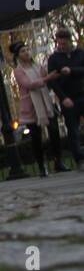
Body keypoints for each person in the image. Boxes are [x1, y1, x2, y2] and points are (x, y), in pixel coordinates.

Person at [11, 40, 66, 177]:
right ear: (18, 55)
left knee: (54, 131)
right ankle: (42, 165)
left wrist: (52, 75)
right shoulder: (18, 71)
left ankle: (58, 161)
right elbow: (29, 84)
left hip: (45, 102)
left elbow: (47, 75)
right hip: (31, 106)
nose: (27, 53)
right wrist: (47, 78)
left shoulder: (38, 66)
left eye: (28, 49)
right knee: (36, 137)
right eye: (23, 51)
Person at [46, 29, 84, 169]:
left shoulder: (80, 54)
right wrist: (63, 98)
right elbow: (52, 81)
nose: (61, 46)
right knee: (73, 130)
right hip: (68, 98)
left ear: (69, 41)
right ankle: (79, 159)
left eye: (64, 43)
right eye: (59, 43)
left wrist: (72, 70)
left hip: (82, 92)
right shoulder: (54, 59)